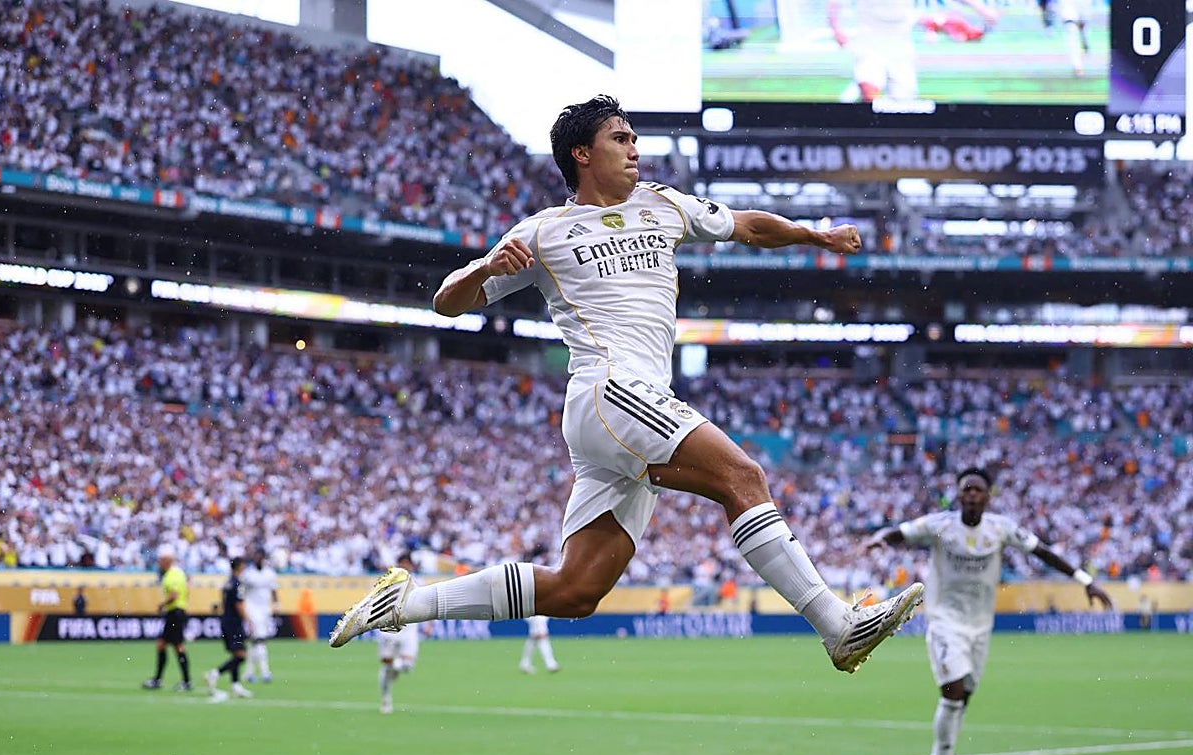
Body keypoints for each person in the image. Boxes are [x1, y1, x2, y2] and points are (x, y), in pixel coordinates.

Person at [330, 94, 924, 676]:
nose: (635, 148)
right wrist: (486, 267)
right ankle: (836, 625)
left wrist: (815, 236)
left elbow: (745, 225)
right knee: (742, 477)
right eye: (621, 138)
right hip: (610, 391)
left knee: (575, 590)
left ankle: (405, 605)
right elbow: (446, 303)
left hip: (626, 410)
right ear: (582, 154)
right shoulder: (544, 232)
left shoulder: (663, 204)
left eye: (634, 138)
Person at [863, 467, 1113, 755]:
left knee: (963, 698)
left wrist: (1086, 580)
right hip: (944, 621)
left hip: (980, 625)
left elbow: (1041, 551)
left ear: (987, 496)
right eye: (966, 488)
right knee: (952, 692)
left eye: (978, 489)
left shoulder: (1000, 529)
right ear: (958, 494)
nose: (972, 494)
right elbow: (901, 532)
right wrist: (880, 538)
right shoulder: (940, 525)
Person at [826, 0, 999, 102]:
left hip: (900, 48)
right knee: (869, 92)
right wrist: (835, 28)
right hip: (870, 45)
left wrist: (982, 10)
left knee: (904, 104)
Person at [141, 545, 193, 691]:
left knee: (177, 646)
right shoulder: (178, 573)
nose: (159, 563)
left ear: (168, 560)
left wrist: (162, 604)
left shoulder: (172, 574)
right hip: (176, 612)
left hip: (175, 612)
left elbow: (174, 594)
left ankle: (185, 681)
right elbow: (186, 591)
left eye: (161, 560)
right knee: (162, 644)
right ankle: (159, 679)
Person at [204, 557, 254, 702]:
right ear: (240, 566)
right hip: (234, 623)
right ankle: (215, 673)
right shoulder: (237, 583)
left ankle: (235, 685)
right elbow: (238, 605)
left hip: (226, 621)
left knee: (235, 654)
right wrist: (248, 621)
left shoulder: (227, 583)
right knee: (241, 655)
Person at [377, 556, 421, 714]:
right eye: (402, 564)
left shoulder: (418, 582)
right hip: (388, 632)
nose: (405, 566)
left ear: (411, 566)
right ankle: (386, 698)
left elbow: (428, 602)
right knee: (387, 667)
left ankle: (397, 665)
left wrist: (429, 623)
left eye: (407, 564)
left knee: (407, 666)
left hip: (409, 631)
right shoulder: (387, 582)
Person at [239, 550, 279, 683]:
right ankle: (265, 672)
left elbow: (273, 589)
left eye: (260, 557)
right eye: (256, 557)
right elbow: (240, 590)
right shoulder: (248, 574)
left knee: (256, 642)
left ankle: (248, 673)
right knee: (259, 639)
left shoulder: (269, 573)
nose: (258, 559)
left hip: (265, 610)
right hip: (252, 608)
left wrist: (276, 604)